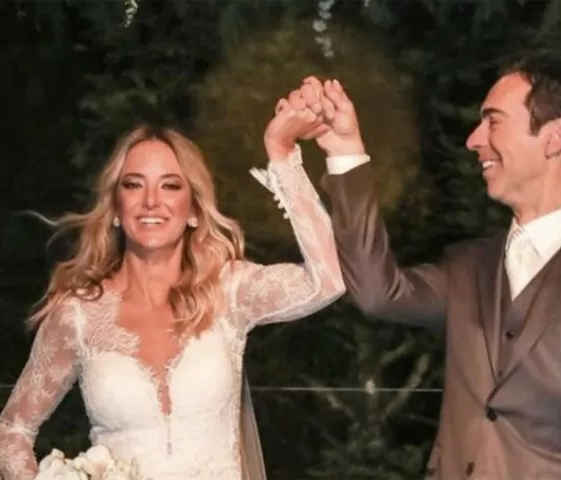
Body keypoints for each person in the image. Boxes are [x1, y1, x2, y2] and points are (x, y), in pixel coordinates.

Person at [286, 54, 561, 479]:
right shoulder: (468, 266)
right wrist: (344, 150)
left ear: (554, 137)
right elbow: (378, 293)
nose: (473, 140)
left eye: (493, 122)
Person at [0, 99, 345, 479]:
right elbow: (11, 430)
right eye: (134, 185)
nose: (151, 201)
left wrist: (281, 154)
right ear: (115, 207)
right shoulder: (78, 316)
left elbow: (327, 280)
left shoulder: (228, 290)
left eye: (170, 186)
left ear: (194, 210)